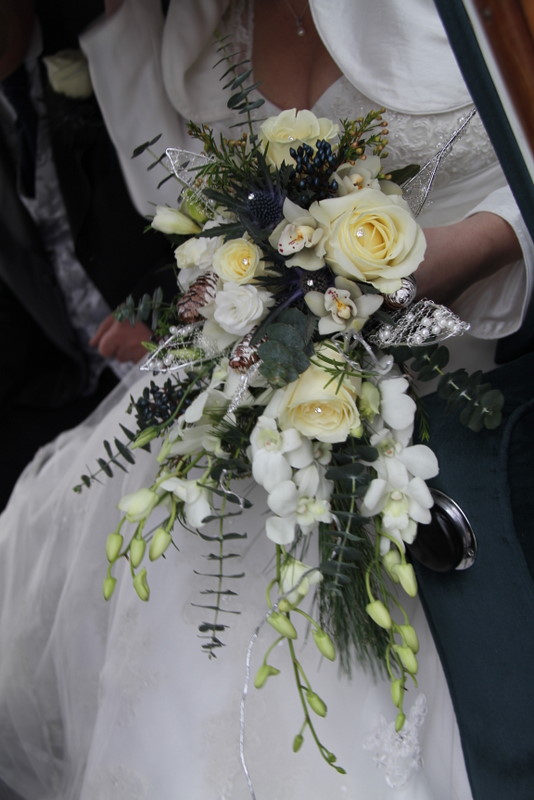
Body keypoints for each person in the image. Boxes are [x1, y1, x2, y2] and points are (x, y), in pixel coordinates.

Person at [0, 1, 531, 798]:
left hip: (444, 423)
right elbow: (188, 224)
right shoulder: (183, 23)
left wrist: (485, 243)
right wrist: (214, 302)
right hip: (246, 433)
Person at [0, 0, 174, 508]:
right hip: (76, 376)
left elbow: (205, 192)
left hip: (175, 329)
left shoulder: (106, 28)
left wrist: (161, 306)